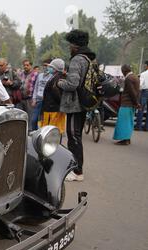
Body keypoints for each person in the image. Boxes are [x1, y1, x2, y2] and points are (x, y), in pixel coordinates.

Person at [57, 29, 96, 182]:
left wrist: (60, 82)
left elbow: (72, 84)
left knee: (73, 137)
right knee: (76, 136)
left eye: (70, 44)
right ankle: (76, 168)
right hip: (84, 102)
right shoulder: (88, 59)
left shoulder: (77, 59)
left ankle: (77, 171)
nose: (69, 47)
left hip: (75, 104)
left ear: (75, 45)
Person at [113, 64, 141, 145]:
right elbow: (137, 92)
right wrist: (136, 103)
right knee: (128, 122)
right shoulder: (135, 77)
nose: (122, 73)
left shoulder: (128, 78)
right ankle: (127, 139)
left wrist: (136, 103)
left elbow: (132, 92)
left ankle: (124, 140)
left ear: (124, 71)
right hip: (131, 104)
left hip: (126, 103)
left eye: (122, 71)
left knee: (123, 122)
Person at [40, 58, 67, 137]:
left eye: (51, 67)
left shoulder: (58, 78)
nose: (49, 68)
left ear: (56, 68)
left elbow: (58, 95)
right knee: (50, 131)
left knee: (53, 133)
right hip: (50, 109)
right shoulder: (54, 77)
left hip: (53, 110)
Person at [31, 58, 54, 131]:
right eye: (44, 65)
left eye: (47, 66)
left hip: (46, 102)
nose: (45, 67)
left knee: (44, 121)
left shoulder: (52, 77)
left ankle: (43, 136)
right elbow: (36, 88)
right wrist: (34, 99)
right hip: (38, 101)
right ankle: (35, 134)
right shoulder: (40, 75)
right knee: (34, 120)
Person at [19, 59, 38, 125]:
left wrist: (34, 99)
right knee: (21, 117)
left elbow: (36, 87)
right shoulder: (21, 74)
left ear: (31, 66)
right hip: (21, 99)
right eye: (24, 65)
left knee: (30, 117)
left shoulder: (35, 74)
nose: (25, 66)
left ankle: (30, 132)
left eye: (27, 65)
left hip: (30, 99)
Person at [135, 60, 148, 131]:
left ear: (147, 65)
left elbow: (140, 85)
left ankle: (138, 126)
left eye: (144, 65)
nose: (144, 66)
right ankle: (146, 127)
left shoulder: (143, 74)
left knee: (141, 109)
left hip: (145, 92)